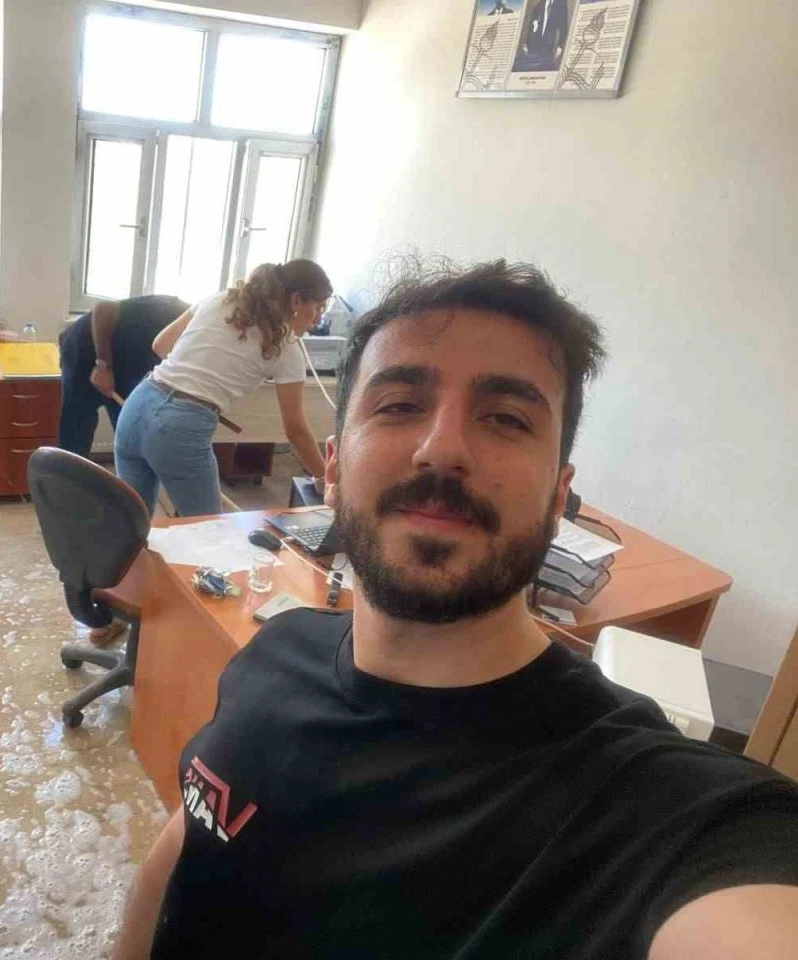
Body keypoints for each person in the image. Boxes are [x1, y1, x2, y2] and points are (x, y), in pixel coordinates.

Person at [113, 260, 798, 959]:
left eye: (506, 418)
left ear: (558, 497)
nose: (442, 449)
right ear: (333, 469)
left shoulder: (659, 813)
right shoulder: (273, 651)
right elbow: (189, 839)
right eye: (399, 405)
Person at [113, 261, 332, 518]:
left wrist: (199, 373)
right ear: (296, 300)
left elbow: (160, 345)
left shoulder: (219, 300)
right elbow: (295, 430)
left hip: (138, 404)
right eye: (318, 307)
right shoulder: (286, 346)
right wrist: (326, 479)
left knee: (130, 525)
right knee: (209, 531)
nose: (318, 319)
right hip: (179, 427)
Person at [57, 295, 189, 458]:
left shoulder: (196, 348)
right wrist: (103, 365)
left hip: (125, 364)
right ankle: (69, 471)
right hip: (84, 350)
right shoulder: (174, 312)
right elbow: (103, 309)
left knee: (130, 428)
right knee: (77, 428)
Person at [517, 0, 570, 71]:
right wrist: (526, 44)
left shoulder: (561, 4)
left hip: (548, 50)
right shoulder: (538, 6)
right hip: (533, 49)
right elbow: (530, 27)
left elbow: (564, 28)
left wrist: (560, 47)